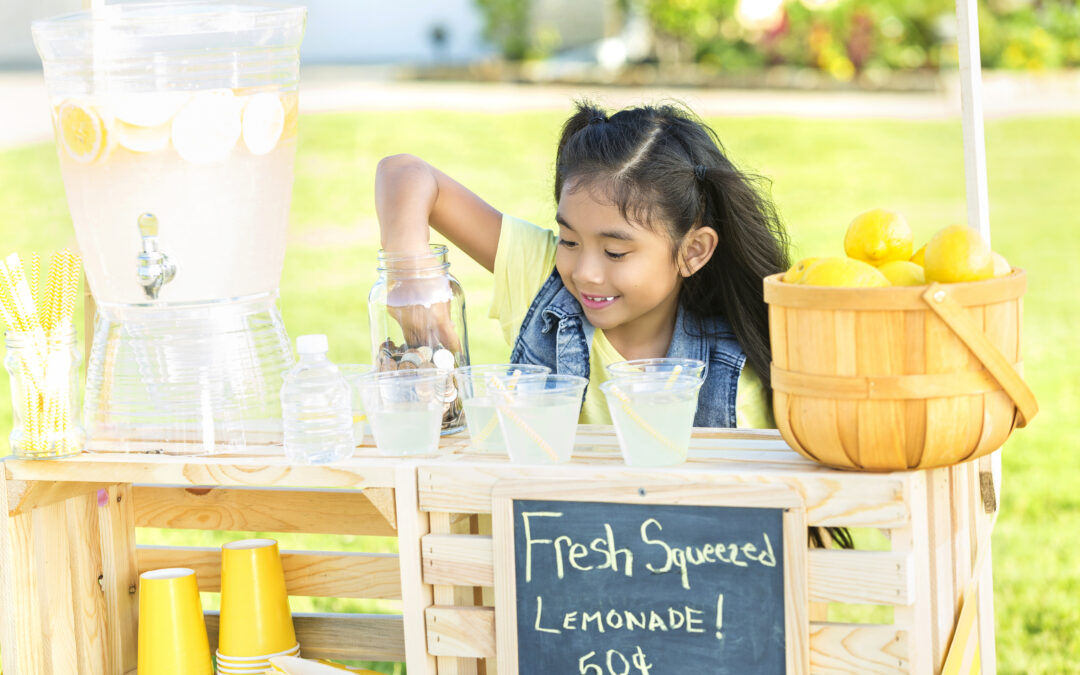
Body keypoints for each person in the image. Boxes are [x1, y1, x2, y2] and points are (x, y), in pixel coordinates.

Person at [374, 101, 788, 429]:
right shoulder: (540, 275)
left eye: (615, 252)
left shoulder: (738, 377)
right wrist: (412, 279)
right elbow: (405, 173)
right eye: (569, 241)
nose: (584, 271)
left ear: (693, 251)